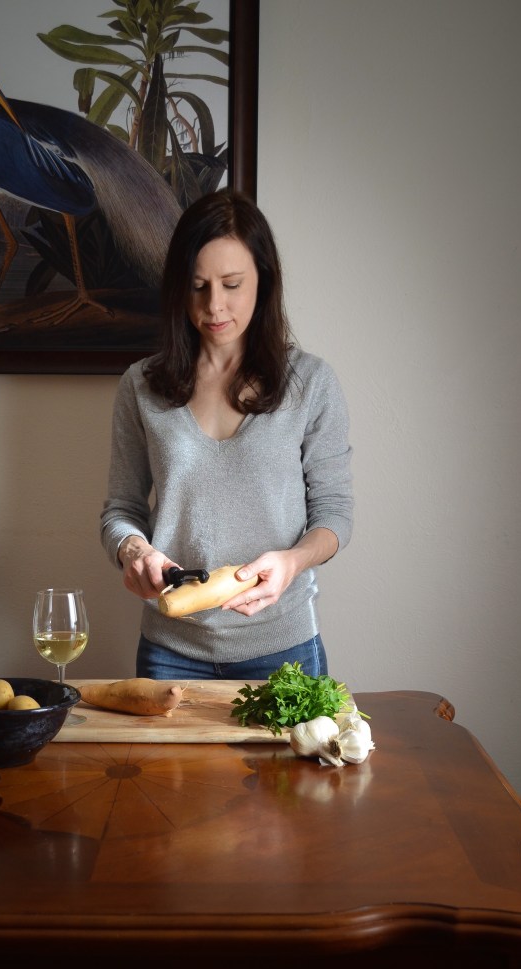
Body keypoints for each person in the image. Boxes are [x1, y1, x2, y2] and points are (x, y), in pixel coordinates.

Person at [100, 189, 353, 680]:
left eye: (232, 284)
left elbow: (335, 515)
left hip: (283, 649)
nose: (214, 306)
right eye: (198, 286)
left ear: (264, 280)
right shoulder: (141, 385)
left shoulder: (312, 384)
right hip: (170, 652)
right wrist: (135, 551)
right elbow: (121, 510)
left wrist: (293, 561)